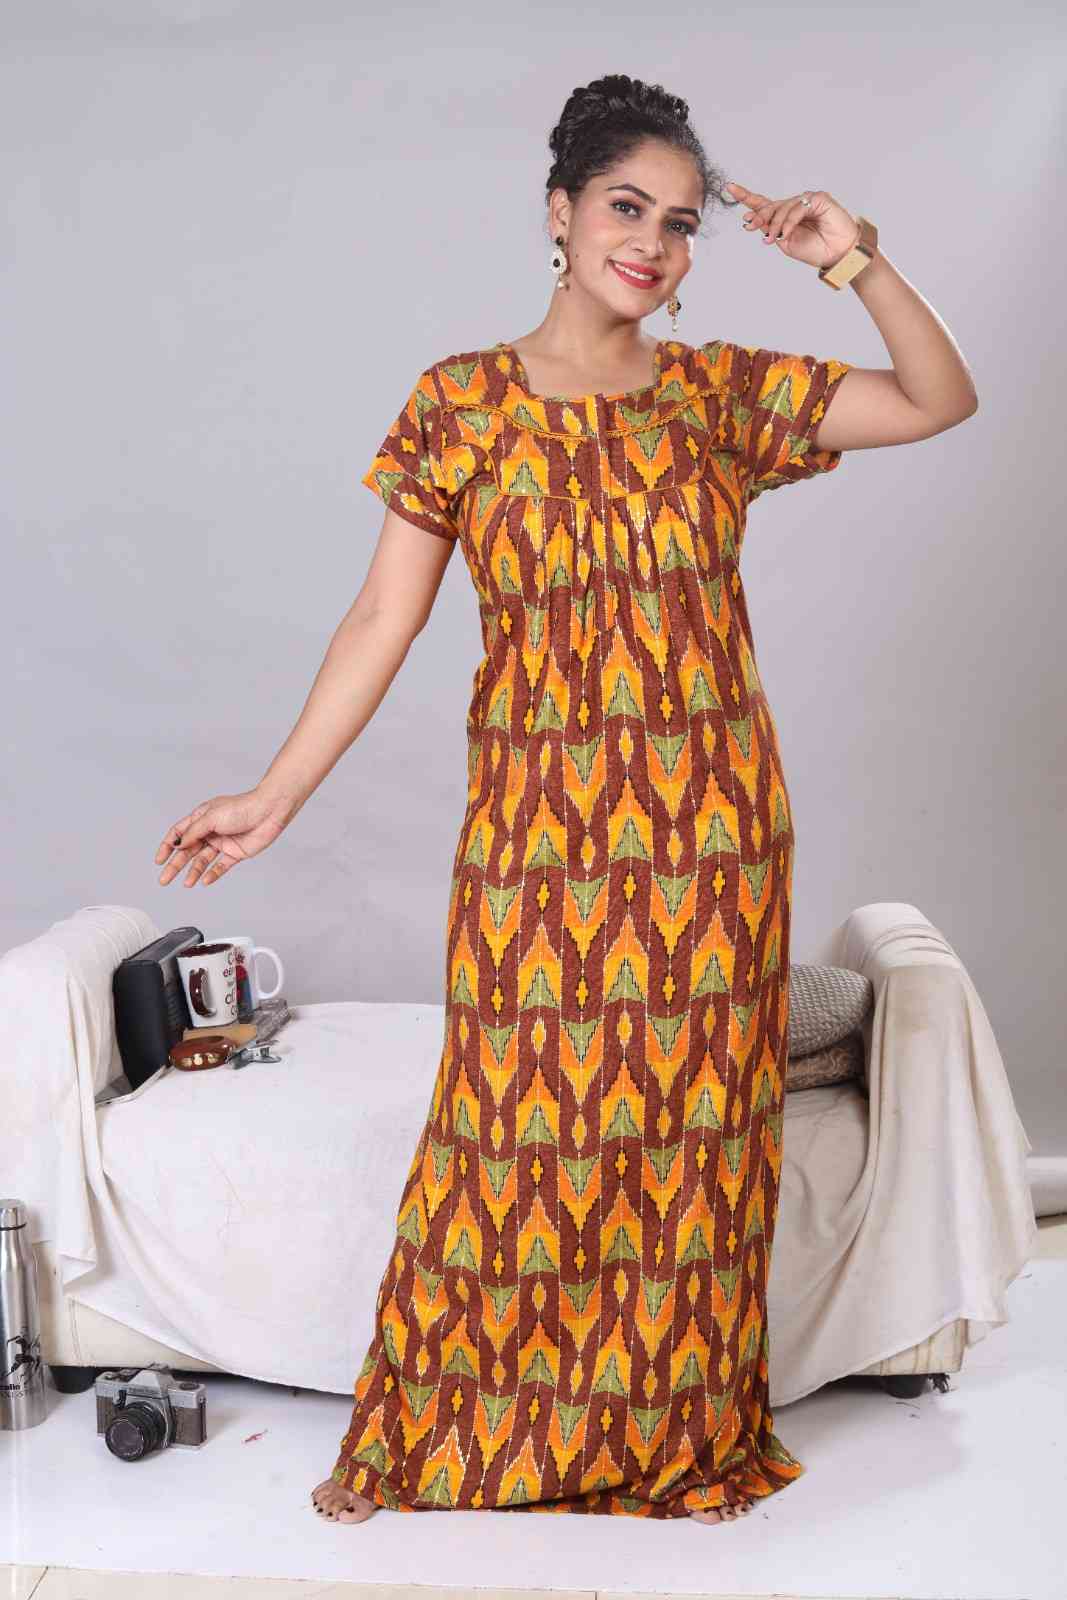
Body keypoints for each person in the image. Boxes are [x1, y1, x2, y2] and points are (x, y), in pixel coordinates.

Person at [154, 74, 978, 1525]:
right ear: (560, 211)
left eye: (679, 222)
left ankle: (669, 1437)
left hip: (711, 841)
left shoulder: (719, 397)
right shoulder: (459, 402)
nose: (650, 242)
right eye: (624, 207)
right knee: (510, 1134)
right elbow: (382, 618)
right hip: (538, 842)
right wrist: (276, 795)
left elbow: (936, 398)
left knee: (691, 1149)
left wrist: (849, 256)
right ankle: (448, 1433)